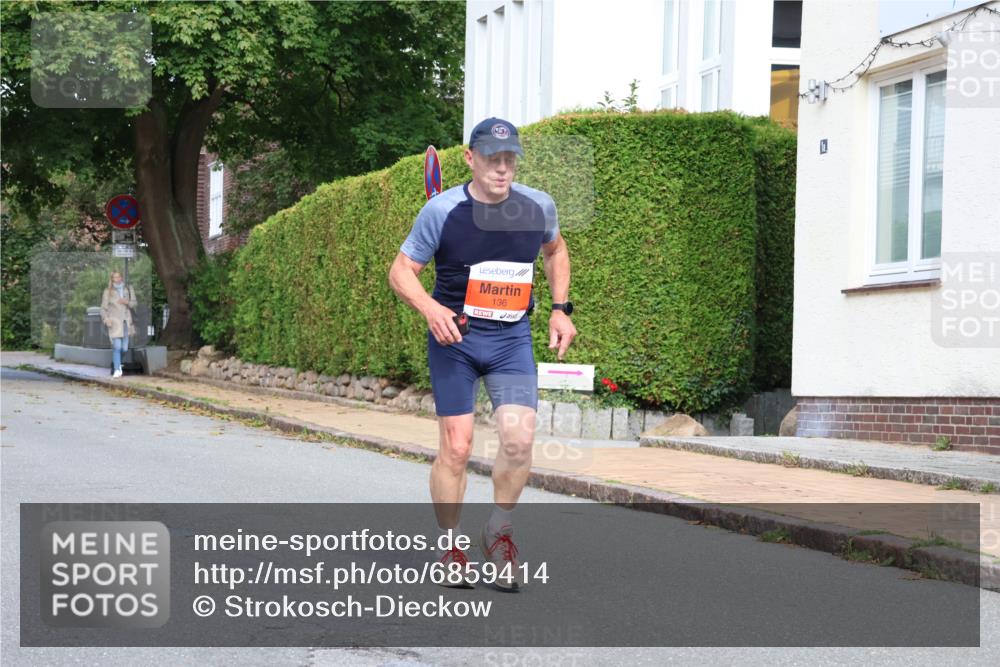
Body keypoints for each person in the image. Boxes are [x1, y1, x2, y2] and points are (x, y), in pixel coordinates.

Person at [388, 117, 577, 590]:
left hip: (510, 341)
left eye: (510, 158)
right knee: (457, 446)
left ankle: (499, 530)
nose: (502, 167)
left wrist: (560, 309)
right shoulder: (442, 210)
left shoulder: (538, 207)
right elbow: (401, 271)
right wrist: (431, 308)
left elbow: (555, 252)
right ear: (470, 159)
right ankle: (450, 545)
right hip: (456, 340)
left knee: (518, 440)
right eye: (493, 159)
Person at [101, 271, 136, 378]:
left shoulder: (128, 289)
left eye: (119, 277)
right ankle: (117, 369)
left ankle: (117, 363)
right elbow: (103, 308)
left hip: (126, 322)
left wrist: (127, 302)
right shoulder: (108, 291)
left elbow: (134, 303)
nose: (117, 279)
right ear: (112, 280)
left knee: (124, 348)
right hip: (114, 322)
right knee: (117, 347)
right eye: (114, 277)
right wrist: (106, 319)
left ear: (122, 277)